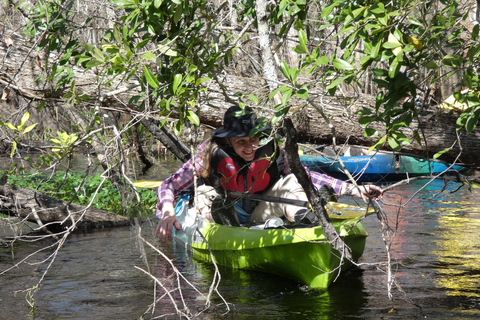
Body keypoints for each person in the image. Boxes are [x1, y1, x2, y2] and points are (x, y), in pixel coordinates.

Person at [155, 105, 383, 242]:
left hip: (261, 209)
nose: (249, 147)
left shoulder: (271, 150)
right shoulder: (207, 154)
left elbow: (305, 175)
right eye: (241, 142)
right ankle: (228, 224)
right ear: (227, 140)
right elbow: (169, 185)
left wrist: (353, 189)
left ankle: (304, 219)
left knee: (293, 180)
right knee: (204, 192)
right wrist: (167, 212)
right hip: (224, 209)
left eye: (253, 139)